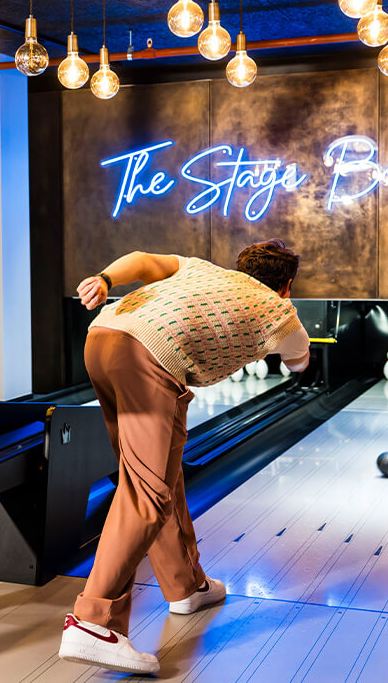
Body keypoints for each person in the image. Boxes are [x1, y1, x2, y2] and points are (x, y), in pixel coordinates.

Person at [58, 240, 310, 675]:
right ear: (286, 284)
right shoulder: (280, 311)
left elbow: (138, 260)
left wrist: (103, 279)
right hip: (148, 358)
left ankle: (186, 586)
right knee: (147, 491)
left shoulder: (202, 269)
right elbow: (299, 363)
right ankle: (92, 622)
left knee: (159, 474)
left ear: (240, 266)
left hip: (103, 336)